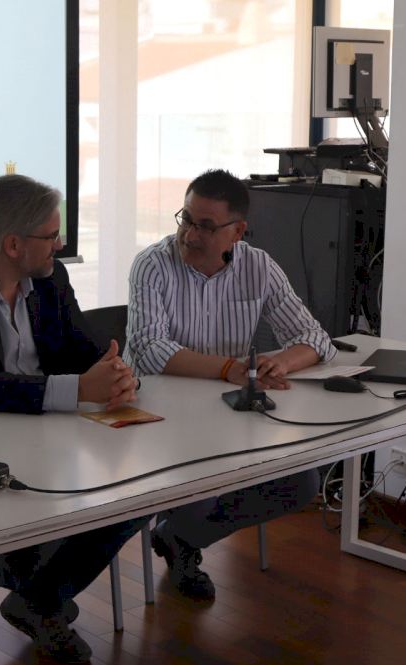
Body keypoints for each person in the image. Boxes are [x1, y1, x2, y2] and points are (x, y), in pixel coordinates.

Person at [0, 174, 148, 664]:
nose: (60, 245)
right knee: (40, 499)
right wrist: (78, 389)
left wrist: (115, 374)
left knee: (137, 494)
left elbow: (80, 350)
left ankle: (38, 596)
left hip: (48, 432)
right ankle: (37, 588)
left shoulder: (49, 279)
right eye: (51, 235)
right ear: (13, 244)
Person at [125, 169, 334, 600]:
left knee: (301, 483)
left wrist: (278, 363)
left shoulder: (258, 267)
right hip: (159, 416)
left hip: (229, 412)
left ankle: (181, 537)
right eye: (186, 219)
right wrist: (230, 369)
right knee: (200, 489)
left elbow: (316, 340)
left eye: (205, 226)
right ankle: (184, 539)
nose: (190, 235)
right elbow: (149, 350)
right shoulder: (153, 265)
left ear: (237, 232)